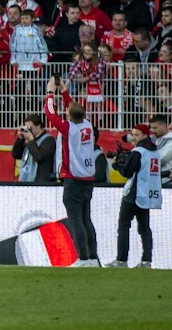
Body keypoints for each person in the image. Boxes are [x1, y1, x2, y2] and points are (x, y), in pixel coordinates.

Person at [47, 100, 102, 267]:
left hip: (73, 179)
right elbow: (72, 108)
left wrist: (50, 93)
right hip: (87, 180)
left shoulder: (68, 128)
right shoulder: (87, 125)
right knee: (86, 219)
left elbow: (51, 114)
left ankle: (83, 258)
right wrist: (63, 91)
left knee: (76, 221)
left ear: (69, 116)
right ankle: (93, 258)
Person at [110, 119, 162, 268]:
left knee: (124, 226)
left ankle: (121, 260)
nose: (134, 138)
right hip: (146, 195)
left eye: (137, 135)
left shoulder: (138, 152)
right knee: (144, 228)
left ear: (145, 135)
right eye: (133, 135)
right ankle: (146, 260)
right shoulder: (155, 153)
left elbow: (127, 172)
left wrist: (116, 165)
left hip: (133, 194)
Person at [13, 114, 56, 184]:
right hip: (25, 179)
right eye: (26, 128)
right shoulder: (29, 140)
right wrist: (20, 140)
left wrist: (30, 140)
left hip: (41, 181)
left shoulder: (49, 140)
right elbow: (16, 155)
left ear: (38, 126)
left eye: (30, 128)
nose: (28, 130)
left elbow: (39, 156)